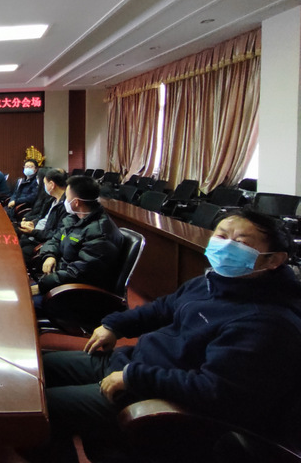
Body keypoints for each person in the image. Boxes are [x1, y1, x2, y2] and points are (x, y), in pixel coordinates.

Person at [40, 210, 301, 462]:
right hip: (133, 362)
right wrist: (115, 325)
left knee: (39, 408)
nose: (226, 246)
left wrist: (134, 377)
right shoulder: (214, 281)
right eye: (221, 236)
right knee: (39, 369)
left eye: (241, 242)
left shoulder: (267, 322)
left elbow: (213, 391)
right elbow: (163, 308)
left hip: (153, 395)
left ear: (273, 260)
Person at [31, 175, 123, 297]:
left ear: (76, 202)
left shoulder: (100, 234)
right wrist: (49, 255)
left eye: (67, 197)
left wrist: (42, 285)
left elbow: (78, 273)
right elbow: (55, 239)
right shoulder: (75, 218)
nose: (65, 201)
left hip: (77, 293)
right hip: (60, 279)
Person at [20, 169, 68, 268]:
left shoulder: (66, 206)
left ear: (52, 185)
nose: (44, 186)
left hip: (44, 242)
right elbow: (44, 218)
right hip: (38, 234)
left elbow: (57, 233)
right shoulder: (52, 199)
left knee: (19, 253)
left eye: (45, 183)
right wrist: (33, 223)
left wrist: (33, 232)